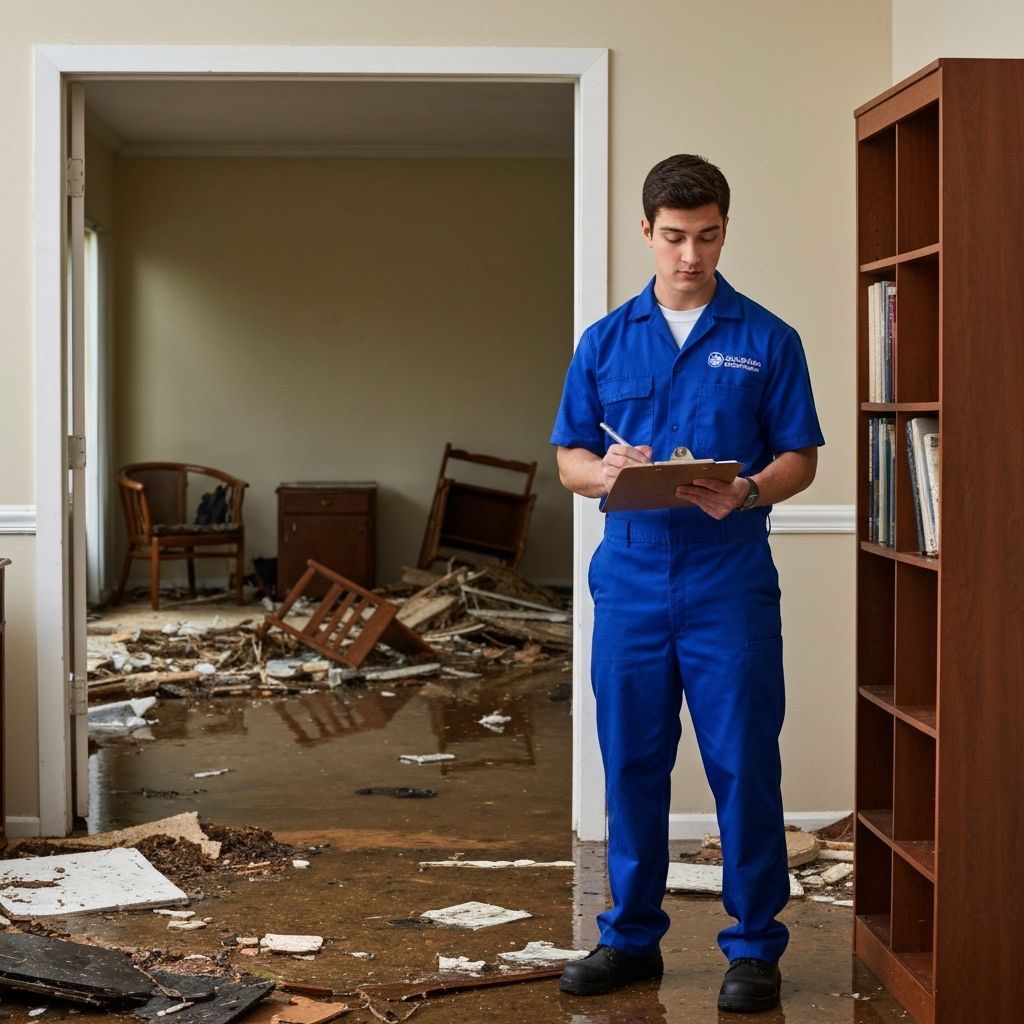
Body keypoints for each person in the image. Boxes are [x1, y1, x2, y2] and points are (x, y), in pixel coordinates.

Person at [550, 154, 824, 1014]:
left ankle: (753, 948)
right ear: (646, 232)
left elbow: (799, 458)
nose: (689, 256)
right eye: (673, 238)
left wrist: (746, 488)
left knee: (743, 761)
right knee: (631, 760)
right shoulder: (603, 341)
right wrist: (607, 473)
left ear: (724, 231)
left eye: (706, 237)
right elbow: (568, 457)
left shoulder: (767, 339)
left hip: (727, 578)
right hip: (629, 576)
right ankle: (630, 939)